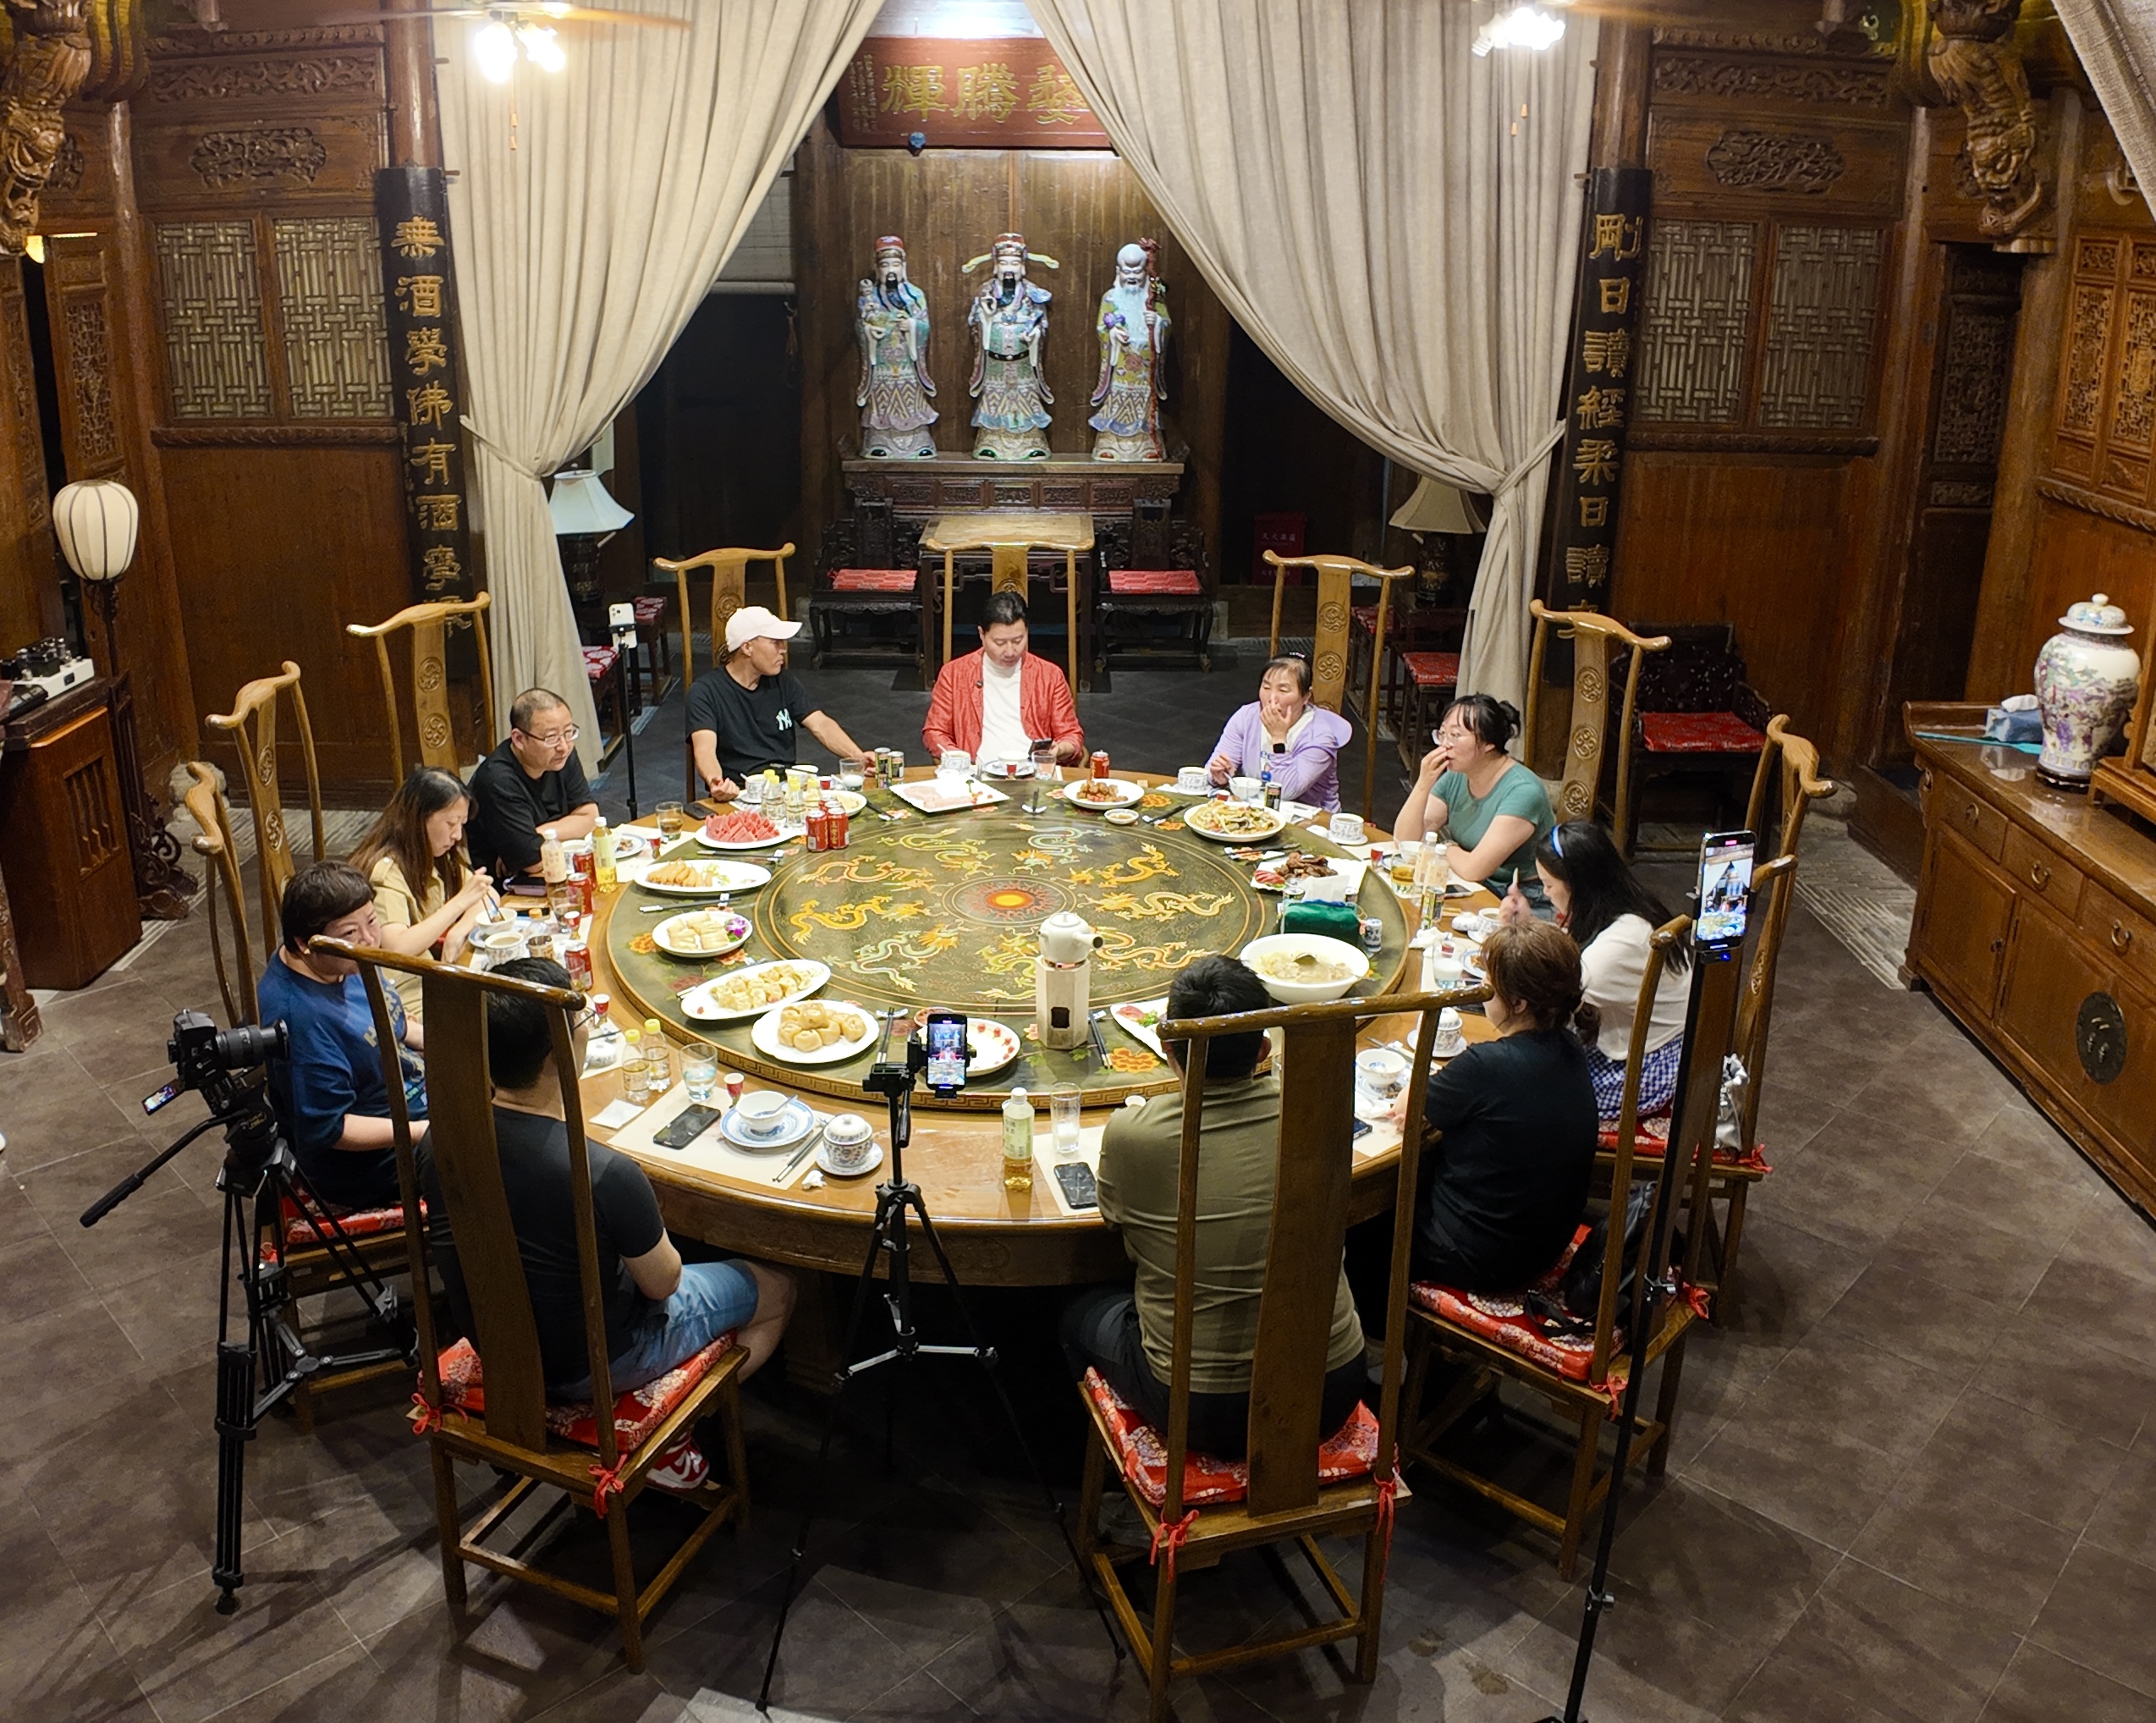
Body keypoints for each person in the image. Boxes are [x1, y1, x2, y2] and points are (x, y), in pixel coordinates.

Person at [420, 958, 796, 1491]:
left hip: (497, 1349)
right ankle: (673, 1433)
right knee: (779, 1287)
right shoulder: (601, 1170)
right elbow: (664, 1283)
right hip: (595, 1366)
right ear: (557, 1052)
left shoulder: (438, 1139)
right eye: (580, 1022)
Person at [1060, 955, 1367, 1458]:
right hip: (1334, 1387)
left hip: (1204, 1413)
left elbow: (1113, 1222)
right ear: (1263, 1048)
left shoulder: (1136, 1135)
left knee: (1080, 1314)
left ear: (1168, 1047)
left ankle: (1098, 1480)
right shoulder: (1314, 1111)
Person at [1415, 920, 1598, 1291]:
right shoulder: (1570, 1046)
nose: (1484, 990)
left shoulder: (1487, 1065)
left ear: (1517, 1003)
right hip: (1542, 1248)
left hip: (1478, 1259)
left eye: (1490, 983)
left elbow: (1409, 1107)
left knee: (1361, 1228)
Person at [256, 862, 427, 1212]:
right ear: (305, 943)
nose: (369, 939)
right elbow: (330, 1129)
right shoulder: (300, 1019)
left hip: (408, 1092)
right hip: (370, 1165)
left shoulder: (340, 961)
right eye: (350, 932)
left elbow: (395, 1024)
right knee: (506, 1149)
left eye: (372, 921)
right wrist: (423, 1131)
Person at [1499, 821, 1691, 1120]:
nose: (1546, 894)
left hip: (1648, 1065)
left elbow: (1548, 1002)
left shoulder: (1617, 947)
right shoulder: (1626, 906)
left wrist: (1512, 942)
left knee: (1524, 1084)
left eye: (1548, 885)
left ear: (1578, 885)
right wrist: (1528, 927)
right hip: (1650, 1040)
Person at [349, 767, 495, 1023]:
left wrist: (457, 932)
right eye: (451, 824)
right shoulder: (386, 871)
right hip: (403, 995)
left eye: (462, 825)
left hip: (431, 976)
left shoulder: (436, 853)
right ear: (419, 818)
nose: (457, 835)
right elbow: (397, 948)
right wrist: (459, 903)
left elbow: (487, 894)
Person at [690, 605, 870, 800]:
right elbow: (704, 748)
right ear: (747, 647)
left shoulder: (784, 681)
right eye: (775, 642)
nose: (783, 650)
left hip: (785, 788)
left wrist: (858, 757)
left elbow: (821, 724)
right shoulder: (705, 692)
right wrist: (716, 782)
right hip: (740, 791)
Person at [1395, 693, 1554, 902]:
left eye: (1455, 735)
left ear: (1488, 743)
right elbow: (1404, 842)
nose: (1444, 745)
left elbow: (1474, 869)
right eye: (1442, 734)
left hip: (1525, 896)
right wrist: (1424, 783)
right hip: (1472, 883)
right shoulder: (1457, 775)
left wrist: (1444, 847)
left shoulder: (1523, 791)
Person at [921, 590, 1084, 768]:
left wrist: (1060, 749)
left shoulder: (1049, 675)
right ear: (982, 634)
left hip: (1033, 773)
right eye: (1000, 643)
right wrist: (957, 757)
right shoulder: (954, 674)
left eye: (1018, 640)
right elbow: (935, 731)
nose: (1010, 651)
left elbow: (1071, 735)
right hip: (976, 772)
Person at [466, 689, 598, 883]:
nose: (563, 746)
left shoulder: (561, 755)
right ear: (519, 739)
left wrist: (539, 834)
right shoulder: (497, 781)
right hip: (508, 887)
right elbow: (533, 860)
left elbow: (591, 818)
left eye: (568, 732)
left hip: (559, 868)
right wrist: (566, 831)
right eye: (551, 738)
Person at [1206, 655, 1352, 811]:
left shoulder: (1320, 735)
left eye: (1283, 690)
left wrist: (1278, 739)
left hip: (1311, 818)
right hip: (1257, 811)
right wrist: (1218, 776)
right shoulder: (1246, 717)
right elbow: (1211, 769)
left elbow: (1286, 791)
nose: (1271, 698)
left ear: (1306, 697)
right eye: (1266, 687)